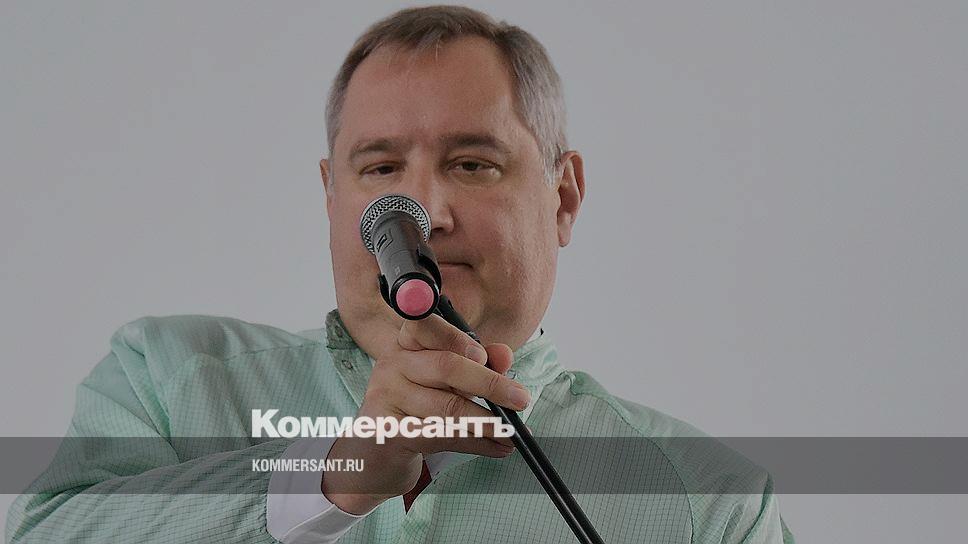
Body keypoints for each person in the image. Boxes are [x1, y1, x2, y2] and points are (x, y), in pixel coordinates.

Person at [6, 5, 795, 543]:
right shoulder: (166, 380)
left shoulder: (710, 505)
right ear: (331, 199)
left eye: (473, 163)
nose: (423, 213)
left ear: (563, 198)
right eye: (381, 168)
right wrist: (329, 479)